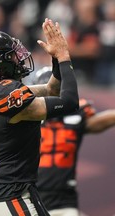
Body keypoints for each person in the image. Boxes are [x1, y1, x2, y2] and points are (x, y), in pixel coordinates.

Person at [0, 18, 79, 216]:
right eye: (12, 55)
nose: (18, 58)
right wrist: (65, 56)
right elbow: (69, 102)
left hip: (7, 190)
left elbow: (51, 89)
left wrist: (56, 60)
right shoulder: (5, 95)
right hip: (9, 194)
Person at [32, 66, 115, 216]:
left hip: (64, 199)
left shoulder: (75, 116)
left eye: (57, 89)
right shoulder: (26, 117)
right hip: (31, 197)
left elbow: (98, 122)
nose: (53, 94)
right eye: (50, 89)